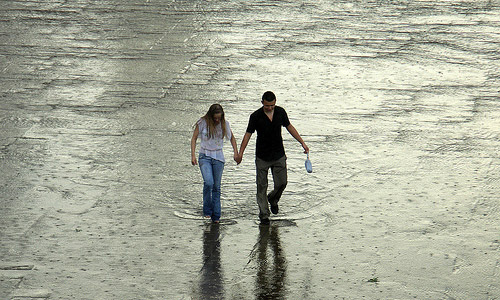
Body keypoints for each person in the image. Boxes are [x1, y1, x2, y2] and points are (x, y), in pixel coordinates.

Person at [236, 91, 309, 225]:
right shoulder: (255, 116)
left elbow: (289, 127)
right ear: (262, 102)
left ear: (275, 103)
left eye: (272, 105)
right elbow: (248, 134)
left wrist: (302, 142)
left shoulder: (281, 112)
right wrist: (240, 153)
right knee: (261, 186)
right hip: (262, 157)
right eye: (267, 105)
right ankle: (264, 215)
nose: (270, 108)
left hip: (278, 155)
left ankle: (273, 199)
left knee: (282, 183)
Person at [191, 104, 239, 223]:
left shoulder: (225, 124)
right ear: (210, 116)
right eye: (215, 118)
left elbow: (232, 138)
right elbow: (194, 138)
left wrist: (236, 153)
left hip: (218, 157)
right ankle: (207, 211)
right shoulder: (202, 122)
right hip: (205, 156)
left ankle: (216, 215)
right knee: (208, 183)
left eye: (219, 118)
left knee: (216, 186)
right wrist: (193, 155)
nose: (217, 120)